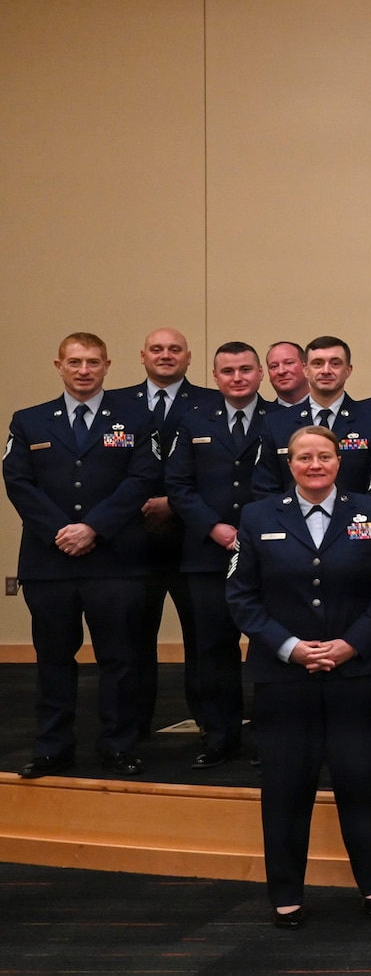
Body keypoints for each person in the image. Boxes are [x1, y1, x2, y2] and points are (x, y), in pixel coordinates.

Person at [228, 424, 371, 927]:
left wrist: (352, 644)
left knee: (363, 784)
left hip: (358, 673)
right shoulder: (258, 516)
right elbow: (241, 596)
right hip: (285, 678)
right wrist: (292, 648)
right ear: (290, 463)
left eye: (324, 456)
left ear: (338, 461)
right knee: (285, 788)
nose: (315, 465)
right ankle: (286, 895)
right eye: (304, 457)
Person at [5, 332, 160, 778]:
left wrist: (94, 527)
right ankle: (53, 747)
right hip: (49, 562)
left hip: (114, 560)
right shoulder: (29, 421)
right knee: (53, 658)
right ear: (58, 366)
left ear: (108, 366)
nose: (84, 370)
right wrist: (61, 531)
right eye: (74, 362)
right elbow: (18, 482)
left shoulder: (135, 418)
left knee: (119, 658)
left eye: (93, 362)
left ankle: (117, 745)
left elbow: (143, 477)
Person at [163, 341, 273, 768]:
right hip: (207, 552)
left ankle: (269, 736)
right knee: (213, 648)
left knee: (269, 646)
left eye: (246, 369)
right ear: (215, 377)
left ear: (260, 373)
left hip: (269, 552)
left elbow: (291, 484)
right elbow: (179, 485)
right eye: (228, 371)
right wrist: (214, 527)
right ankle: (220, 736)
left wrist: (255, 530)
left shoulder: (280, 420)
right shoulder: (192, 422)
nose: (237, 378)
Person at [114, 326, 215, 749]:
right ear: (142, 356)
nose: (166, 355)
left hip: (192, 540)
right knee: (133, 640)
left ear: (189, 358)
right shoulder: (116, 404)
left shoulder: (211, 403)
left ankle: (211, 725)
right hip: (131, 541)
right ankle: (133, 727)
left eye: (175, 349)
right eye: (157, 349)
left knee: (203, 639)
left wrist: (174, 502)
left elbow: (219, 473)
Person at [254, 337, 371, 496]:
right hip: (290, 518)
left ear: (348, 370)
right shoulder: (277, 424)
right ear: (306, 370)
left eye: (335, 363)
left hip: (356, 518)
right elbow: (265, 488)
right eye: (318, 363)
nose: (326, 371)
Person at [266, 341, 310, 407]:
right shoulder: (263, 416)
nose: (281, 371)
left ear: (306, 368)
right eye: (274, 366)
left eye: (289, 363)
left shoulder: (325, 410)